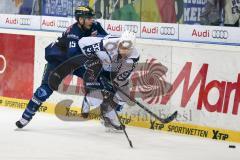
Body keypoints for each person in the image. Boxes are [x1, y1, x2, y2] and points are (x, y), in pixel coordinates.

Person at [15, 5, 108, 128]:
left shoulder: (95, 25)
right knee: (45, 90)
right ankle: (25, 117)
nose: (92, 20)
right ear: (80, 19)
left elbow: (107, 40)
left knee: (100, 80)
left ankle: (102, 111)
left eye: (92, 17)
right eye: (89, 17)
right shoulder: (74, 33)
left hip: (78, 59)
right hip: (60, 61)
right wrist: (90, 62)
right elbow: (73, 55)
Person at [78, 31, 139, 130]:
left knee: (123, 96)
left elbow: (121, 78)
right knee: (99, 98)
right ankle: (88, 100)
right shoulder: (107, 44)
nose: (123, 51)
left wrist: (114, 84)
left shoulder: (134, 57)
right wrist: (92, 60)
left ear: (132, 48)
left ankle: (109, 120)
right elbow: (82, 43)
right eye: (122, 47)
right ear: (119, 43)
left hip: (113, 71)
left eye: (126, 49)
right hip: (97, 68)